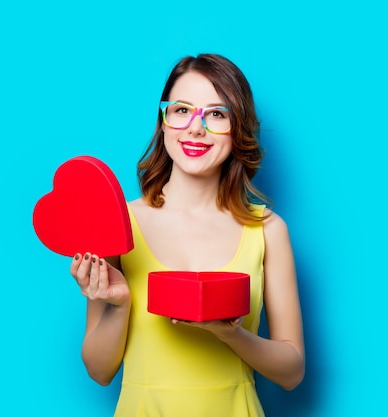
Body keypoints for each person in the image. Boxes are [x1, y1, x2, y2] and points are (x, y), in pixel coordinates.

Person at [70, 53, 304, 417]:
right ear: (163, 122)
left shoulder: (269, 230)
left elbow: (292, 372)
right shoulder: (118, 222)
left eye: (216, 114)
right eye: (181, 110)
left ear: (237, 127)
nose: (196, 128)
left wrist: (229, 334)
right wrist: (119, 305)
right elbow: (100, 372)